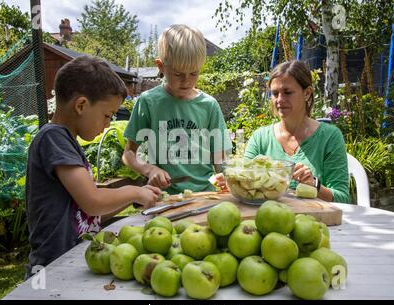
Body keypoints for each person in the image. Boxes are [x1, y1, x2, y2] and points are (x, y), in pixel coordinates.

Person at [25, 56, 161, 278]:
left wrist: (134, 199)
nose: (108, 124)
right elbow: (92, 202)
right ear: (81, 105)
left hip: (72, 263)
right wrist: (134, 191)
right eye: (107, 115)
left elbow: (86, 214)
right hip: (52, 269)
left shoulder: (67, 142)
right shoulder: (53, 138)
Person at [218, 60, 350, 203]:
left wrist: (314, 184)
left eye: (287, 92)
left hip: (315, 220)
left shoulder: (330, 137)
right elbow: (246, 183)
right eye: (275, 93)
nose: (280, 100)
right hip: (268, 219)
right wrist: (232, 180)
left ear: (307, 93)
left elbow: (342, 199)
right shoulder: (260, 138)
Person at [122, 24, 232, 194]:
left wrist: (224, 176)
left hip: (206, 194)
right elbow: (129, 153)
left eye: (194, 73)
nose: (187, 81)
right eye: (178, 74)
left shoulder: (209, 105)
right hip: (164, 196)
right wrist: (150, 170)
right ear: (161, 67)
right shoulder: (148, 102)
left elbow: (219, 157)